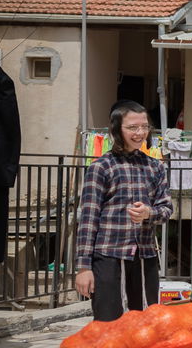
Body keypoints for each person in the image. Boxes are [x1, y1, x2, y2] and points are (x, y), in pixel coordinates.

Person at [74, 101, 173, 321]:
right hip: (108, 256)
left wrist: (149, 213)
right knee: (108, 323)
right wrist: (83, 268)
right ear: (117, 129)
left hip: (144, 255)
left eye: (144, 127)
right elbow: (88, 219)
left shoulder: (155, 167)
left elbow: (167, 209)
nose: (140, 133)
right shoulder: (101, 167)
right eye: (133, 127)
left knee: (146, 322)